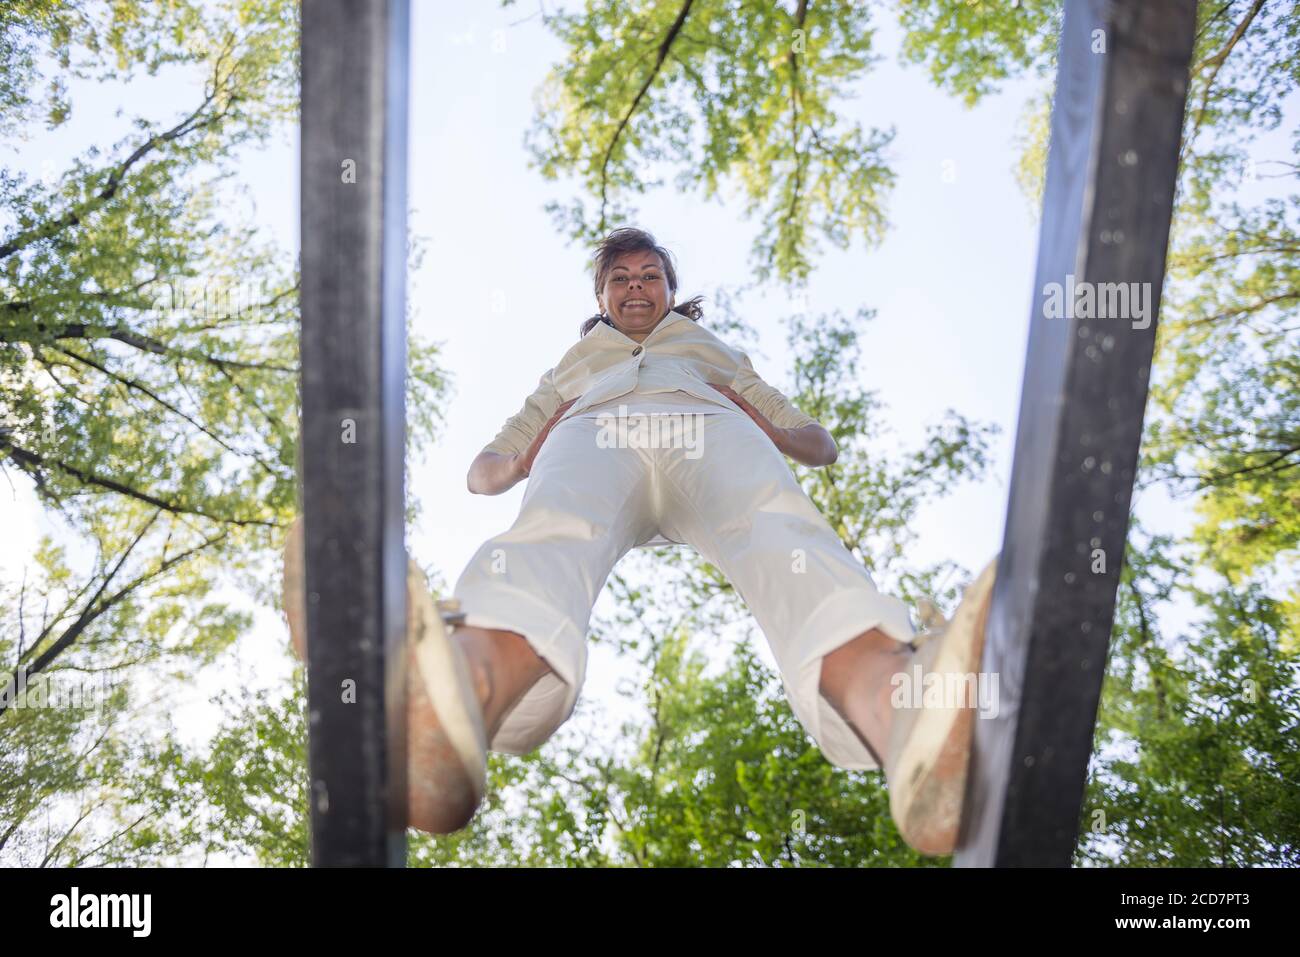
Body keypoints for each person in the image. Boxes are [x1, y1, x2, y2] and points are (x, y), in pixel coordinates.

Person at [283, 226, 996, 857]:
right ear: (602, 295)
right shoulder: (572, 362)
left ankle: (900, 705)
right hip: (595, 432)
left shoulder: (711, 346)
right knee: (550, 528)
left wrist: (764, 416)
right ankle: (455, 691)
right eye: (620, 278)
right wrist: (529, 446)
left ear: (669, 290)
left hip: (707, 425)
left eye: (649, 275)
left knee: (777, 523)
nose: (635, 286)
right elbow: (483, 475)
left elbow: (819, 446)